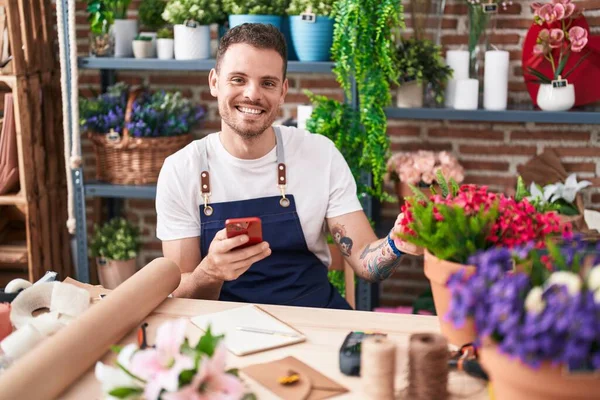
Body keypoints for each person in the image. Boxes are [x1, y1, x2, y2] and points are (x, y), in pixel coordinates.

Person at [156, 23, 422, 310]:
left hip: (315, 314)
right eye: (238, 79)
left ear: (282, 91)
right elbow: (178, 298)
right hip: (224, 330)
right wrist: (210, 271)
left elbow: (363, 258)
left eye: (267, 83)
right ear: (214, 82)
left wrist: (395, 243)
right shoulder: (182, 170)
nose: (252, 94)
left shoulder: (319, 154)